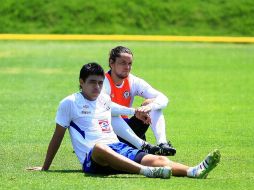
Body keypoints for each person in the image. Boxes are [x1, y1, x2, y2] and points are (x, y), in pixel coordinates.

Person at [27, 63, 220, 179]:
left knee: (158, 159)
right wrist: (45, 167)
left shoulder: (103, 98)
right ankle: (146, 172)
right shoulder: (69, 103)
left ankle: (193, 171)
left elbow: (116, 110)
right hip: (93, 159)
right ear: (81, 82)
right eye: (92, 82)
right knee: (99, 147)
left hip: (117, 148)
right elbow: (57, 137)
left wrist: (136, 111)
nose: (97, 87)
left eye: (100, 82)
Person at [103, 46, 176, 156]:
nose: (127, 67)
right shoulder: (102, 82)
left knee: (151, 104)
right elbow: (106, 107)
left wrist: (149, 107)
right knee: (110, 114)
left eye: (130, 63)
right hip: (106, 134)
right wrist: (135, 111)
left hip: (127, 132)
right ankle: (143, 146)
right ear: (111, 63)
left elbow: (163, 98)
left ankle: (162, 144)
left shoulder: (133, 81)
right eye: (123, 63)